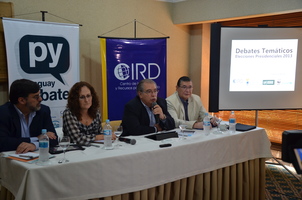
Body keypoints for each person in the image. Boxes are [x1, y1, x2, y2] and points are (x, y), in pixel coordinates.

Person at [0, 79, 58, 153]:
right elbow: (2, 142)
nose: (40, 99)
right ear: (22, 100)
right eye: (36, 97)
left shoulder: (43, 111)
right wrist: (36, 138)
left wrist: (34, 145)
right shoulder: (3, 113)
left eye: (39, 95)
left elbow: (54, 139)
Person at [63, 81, 116, 146]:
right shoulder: (69, 113)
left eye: (88, 96)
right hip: (75, 152)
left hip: (94, 149)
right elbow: (77, 139)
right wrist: (100, 137)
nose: (86, 100)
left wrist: (108, 134)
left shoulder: (96, 111)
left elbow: (99, 132)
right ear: (75, 100)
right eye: (82, 97)